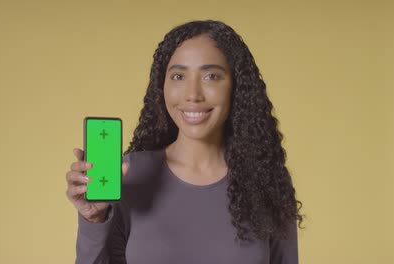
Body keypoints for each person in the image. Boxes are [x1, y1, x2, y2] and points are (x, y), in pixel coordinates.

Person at [65, 20, 305, 264]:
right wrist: (93, 220)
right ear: (162, 87)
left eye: (211, 76)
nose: (193, 94)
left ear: (236, 87)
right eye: (178, 76)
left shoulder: (266, 178)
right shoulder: (130, 175)